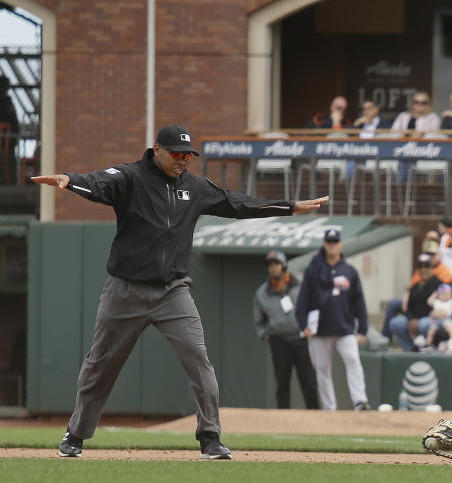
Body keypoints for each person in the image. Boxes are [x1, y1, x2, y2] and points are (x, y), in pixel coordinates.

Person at [35, 124, 330, 460]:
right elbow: (102, 181)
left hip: (173, 292)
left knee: (199, 360)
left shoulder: (194, 186)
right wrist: (71, 181)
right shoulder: (132, 177)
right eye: (176, 153)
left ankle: (210, 438)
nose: (183, 160)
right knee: (100, 363)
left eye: (188, 155)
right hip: (126, 290)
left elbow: (237, 203)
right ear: (157, 149)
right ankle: (75, 435)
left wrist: (290, 207)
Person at [296, 228, 370, 411]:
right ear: (324, 244)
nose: (332, 245)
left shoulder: (349, 271)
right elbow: (303, 299)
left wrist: (363, 329)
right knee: (322, 371)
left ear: (340, 244)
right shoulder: (314, 269)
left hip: (344, 328)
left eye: (334, 242)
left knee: (353, 361)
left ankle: (360, 401)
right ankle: (330, 408)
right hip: (319, 330)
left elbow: (359, 301)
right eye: (329, 242)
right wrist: (302, 324)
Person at [253, 250, 319, 410]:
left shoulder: (300, 285)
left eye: (276, 264)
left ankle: (315, 415)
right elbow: (259, 321)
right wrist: (266, 336)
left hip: (301, 338)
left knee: (309, 382)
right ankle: (283, 418)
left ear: (283, 265)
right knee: (282, 383)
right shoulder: (262, 293)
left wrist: (311, 327)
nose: (273, 268)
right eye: (270, 265)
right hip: (279, 341)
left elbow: (313, 307)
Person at [389, 254, 443, 351]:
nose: (423, 270)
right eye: (420, 267)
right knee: (396, 323)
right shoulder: (415, 286)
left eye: (426, 266)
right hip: (415, 319)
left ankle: (431, 348)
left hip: (432, 320)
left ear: (432, 268)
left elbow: (438, 307)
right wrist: (411, 320)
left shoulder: (439, 284)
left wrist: (417, 321)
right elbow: (408, 307)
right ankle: (411, 349)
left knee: (423, 324)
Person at [424, 284, 452, 351]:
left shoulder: (450, 302)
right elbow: (429, 301)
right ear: (439, 295)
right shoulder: (437, 302)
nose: (446, 296)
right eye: (443, 294)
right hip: (436, 320)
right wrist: (434, 295)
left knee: (450, 330)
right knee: (431, 331)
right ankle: (428, 344)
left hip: (446, 319)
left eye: (448, 294)